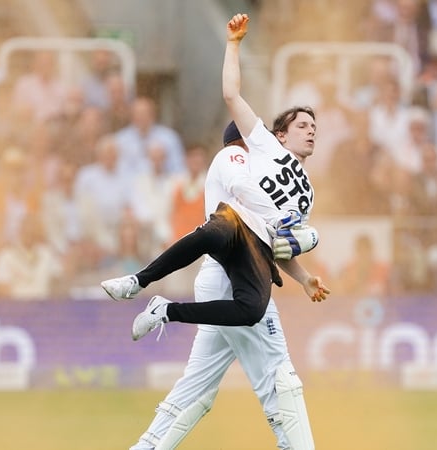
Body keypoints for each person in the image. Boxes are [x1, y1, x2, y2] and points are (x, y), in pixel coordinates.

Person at [103, 13, 328, 449]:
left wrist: (302, 277)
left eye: (314, 126)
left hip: (240, 271)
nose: (311, 129)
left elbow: (280, 244)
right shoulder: (251, 151)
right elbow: (231, 94)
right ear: (277, 135)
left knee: (198, 390)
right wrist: (233, 42)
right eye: (302, 124)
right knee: (281, 380)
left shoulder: (307, 196)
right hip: (232, 264)